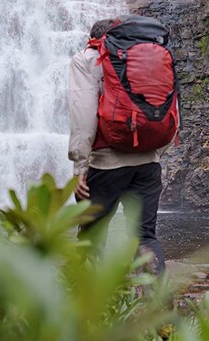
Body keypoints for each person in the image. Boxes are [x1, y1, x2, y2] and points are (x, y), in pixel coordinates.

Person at [68, 16, 170, 274]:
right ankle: (158, 300)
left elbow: (83, 114)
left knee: (92, 233)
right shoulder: (148, 58)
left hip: (106, 164)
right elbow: (168, 110)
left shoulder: (88, 59)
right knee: (145, 235)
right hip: (148, 164)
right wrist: (155, 151)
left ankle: (93, 303)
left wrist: (80, 166)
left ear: (92, 39)